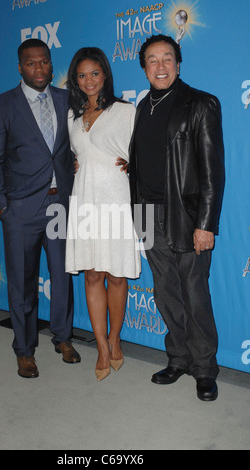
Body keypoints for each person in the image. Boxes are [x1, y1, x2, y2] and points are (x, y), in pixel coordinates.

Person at [129, 35, 225, 401]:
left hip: (186, 217)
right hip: (148, 214)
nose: (160, 66)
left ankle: (204, 369)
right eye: (152, 60)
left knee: (195, 294)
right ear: (144, 68)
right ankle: (178, 358)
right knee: (165, 292)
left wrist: (206, 224)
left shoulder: (200, 104)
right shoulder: (142, 107)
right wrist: (137, 214)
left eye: (167, 58)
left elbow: (214, 172)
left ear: (179, 64)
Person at [0, 38, 81, 379]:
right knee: (22, 284)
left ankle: (63, 338)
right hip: (20, 209)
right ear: (20, 67)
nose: (39, 68)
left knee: (62, 278)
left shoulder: (67, 99)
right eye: (31, 63)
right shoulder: (2, 104)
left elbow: (77, 143)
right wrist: (2, 206)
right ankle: (24, 350)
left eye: (44, 62)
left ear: (52, 65)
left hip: (59, 205)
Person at [66, 47, 141, 381]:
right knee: (92, 274)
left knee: (117, 275)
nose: (89, 81)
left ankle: (115, 338)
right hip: (84, 199)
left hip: (115, 197)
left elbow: (148, 150)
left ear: (106, 74)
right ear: (75, 79)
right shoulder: (72, 115)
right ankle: (100, 345)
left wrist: (133, 164)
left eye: (94, 73)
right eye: (82, 75)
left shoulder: (127, 111)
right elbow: (69, 155)